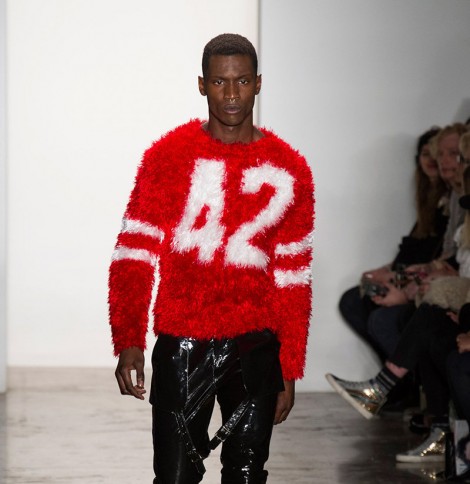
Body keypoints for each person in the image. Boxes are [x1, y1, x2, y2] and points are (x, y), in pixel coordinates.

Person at [108, 33, 314, 484]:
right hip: (183, 341)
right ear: (202, 85)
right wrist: (129, 340)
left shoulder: (289, 169)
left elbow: (293, 276)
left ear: (259, 83)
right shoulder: (168, 158)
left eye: (242, 81)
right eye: (220, 82)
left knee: (247, 474)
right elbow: (133, 254)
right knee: (175, 476)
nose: (232, 94)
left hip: (256, 344)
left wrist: (290, 366)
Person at [326, 130, 470, 464]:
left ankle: (391, 391)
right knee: (389, 310)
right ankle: (421, 415)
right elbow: (430, 252)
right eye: (437, 155)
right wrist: (399, 273)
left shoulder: (457, 202)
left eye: (456, 156)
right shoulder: (449, 201)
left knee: (419, 321)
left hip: (453, 301)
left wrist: (409, 283)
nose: (445, 163)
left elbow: (448, 264)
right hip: (450, 298)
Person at [339, 126, 448, 362]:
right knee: (353, 300)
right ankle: (392, 377)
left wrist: (400, 284)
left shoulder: (449, 203)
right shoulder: (429, 202)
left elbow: (439, 260)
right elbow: (412, 249)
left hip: (427, 284)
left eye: (437, 154)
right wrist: (386, 271)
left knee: (381, 318)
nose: (431, 160)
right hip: (412, 276)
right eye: (426, 154)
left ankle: (396, 378)